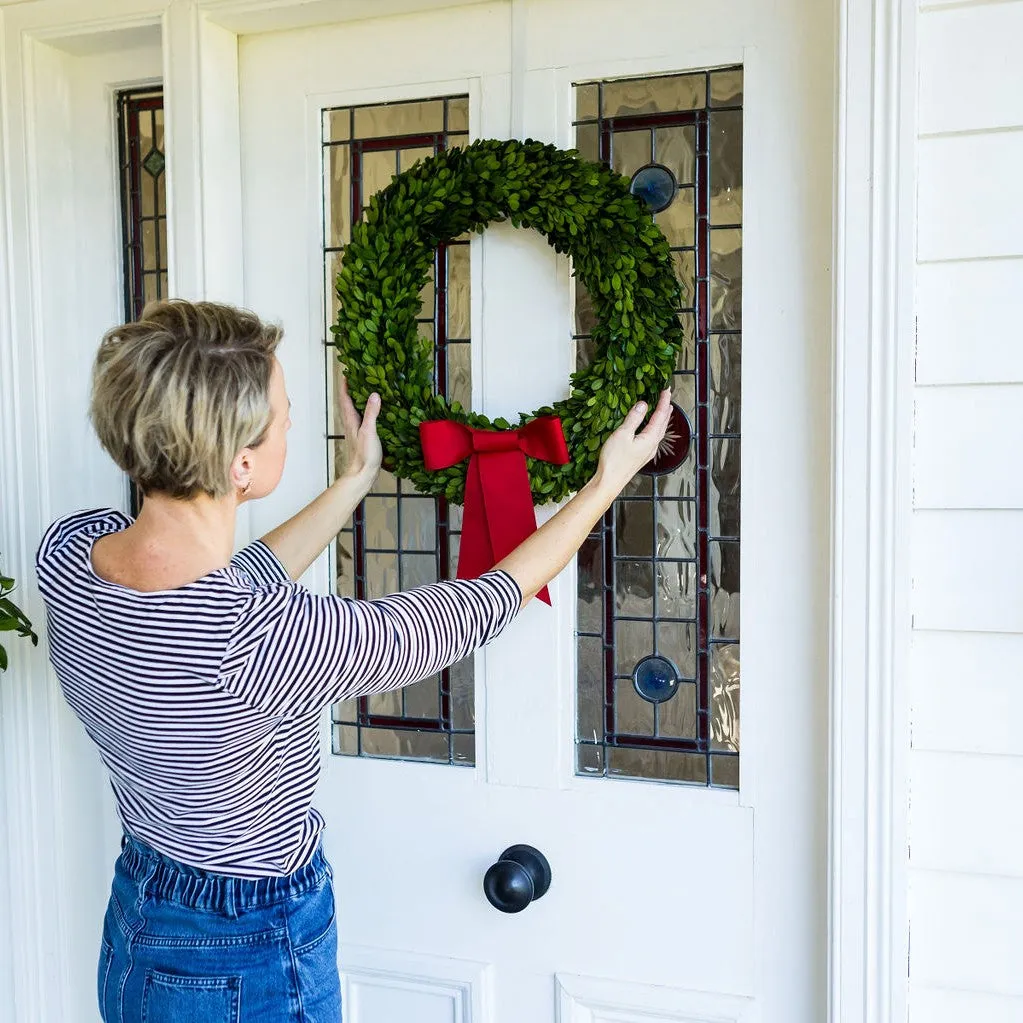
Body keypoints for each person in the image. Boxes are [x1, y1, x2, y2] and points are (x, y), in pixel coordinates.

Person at [35, 299, 671, 1023]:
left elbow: (225, 589)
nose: (293, 421)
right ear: (242, 462)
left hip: (140, 919)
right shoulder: (258, 637)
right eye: (283, 413)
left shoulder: (72, 554)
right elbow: (479, 604)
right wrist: (604, 484)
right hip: (244, 950)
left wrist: (350, 483)